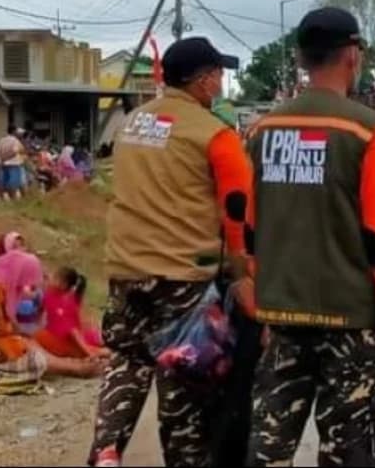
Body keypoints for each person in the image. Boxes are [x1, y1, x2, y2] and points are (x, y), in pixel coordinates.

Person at [243, 7, 375, 467]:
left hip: (282, 314)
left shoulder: (264, 130)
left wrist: (261, 295)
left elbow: (251, 228)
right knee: (350, 453)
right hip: (349, 321)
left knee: (268, 448)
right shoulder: (366, 129)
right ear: (351, 55)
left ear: (302, 59)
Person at [88, 36, 253, 468]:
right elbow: (238, 214)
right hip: (183, 276)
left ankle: (106, 452)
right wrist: (243, 274)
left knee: (126, 361)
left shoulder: (132, 123)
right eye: (218, 74)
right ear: (202, 80)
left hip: (126, 267)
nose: (220, 83)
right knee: (184, 386)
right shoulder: (215, 134)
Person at [0, 251, 101, 394]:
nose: (25, 285)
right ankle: (74, 368)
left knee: (28, 341)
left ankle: (72, 366)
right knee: (24, 347)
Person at [34, 266, 107, 359]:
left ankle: (98, 352)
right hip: (66, 335)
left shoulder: (61, 303)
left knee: (99, 347)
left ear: (62, 285)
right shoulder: (52, 294)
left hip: (66, 340)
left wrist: (89, 351)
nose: (50, 278)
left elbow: (72, 331)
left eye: (54, 277)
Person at [0, 126, 26, 200]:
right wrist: (5, 158)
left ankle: (2, 199)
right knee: (13, 182)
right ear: (13, 131)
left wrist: (2, 159)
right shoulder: (15, 141)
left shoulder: (2, 140)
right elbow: (14, 152)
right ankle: (13, 199)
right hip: (14, 164)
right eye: (16, 131)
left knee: (3, 182)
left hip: (4, 165)